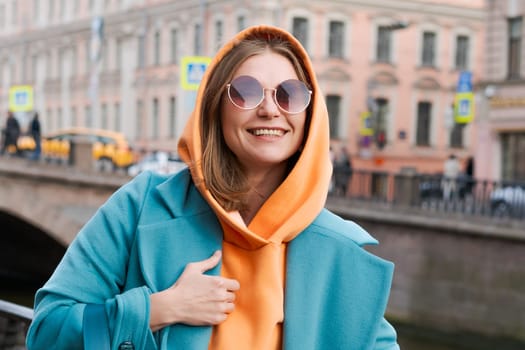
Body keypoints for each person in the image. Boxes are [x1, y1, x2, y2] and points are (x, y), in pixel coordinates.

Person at [27, 25, 399, 350]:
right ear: (216, 107)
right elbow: (46, 332)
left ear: (310, 116)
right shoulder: (142, 206)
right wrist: (158, 310)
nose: (270, 109)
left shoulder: (340, 248)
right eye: (246, 91)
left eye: (289, 94)